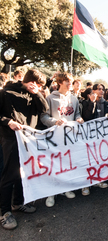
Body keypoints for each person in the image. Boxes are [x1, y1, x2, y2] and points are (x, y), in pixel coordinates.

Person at [0, 69, 49, 230]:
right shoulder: (6, 93)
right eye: (36, 84)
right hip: (11, 139)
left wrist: (37, 94)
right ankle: (5, 212)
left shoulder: (33, 94)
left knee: (23, 172)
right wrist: (8, 121)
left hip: (28, 140)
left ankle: (18, 203)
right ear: (29, 81)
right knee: (10, 174)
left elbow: (44, 109)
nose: (38, 87)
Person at [40, 73, 84, 208]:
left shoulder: (74, 99)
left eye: (70, 81)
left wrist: (79, 118)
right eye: (67, 81)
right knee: (54, 163)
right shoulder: (49, 98)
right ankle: (51, 193)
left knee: (67, 162)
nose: (70, 84)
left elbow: (76, 113)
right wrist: (54, 122)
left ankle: (65, 188)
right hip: (54, 137)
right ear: (60, 82)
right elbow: (43, 117)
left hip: (70, 137)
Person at [81, 83, 108, 196]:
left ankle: (98, 180)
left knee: (99, 158)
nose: (101, 91)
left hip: (101, 136)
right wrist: (92, 103)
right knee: (88, 160)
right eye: (99, 89)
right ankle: (85, 185)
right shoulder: (85, 102)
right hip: (89, 136)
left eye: (102, 89)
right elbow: (87, 117)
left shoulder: (106, 103)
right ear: (93, 91)